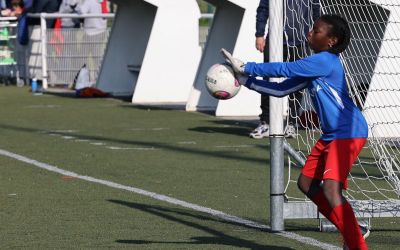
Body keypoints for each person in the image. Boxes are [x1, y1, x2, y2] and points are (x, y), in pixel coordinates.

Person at [222, 14, 369, 250]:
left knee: (331, 190)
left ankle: (357, 243)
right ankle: (350, 227)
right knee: (306, 183)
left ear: (331, 40)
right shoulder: (314, 66)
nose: (310, 33)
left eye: (317, 31)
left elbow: (284, 69)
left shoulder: (325, 60)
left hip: (348, 131)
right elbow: (281, 90)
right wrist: (245, 80)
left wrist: (248, 66)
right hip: (333, 134)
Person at [250, 0, 320, 139]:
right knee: (268, 79)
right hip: (275, 40)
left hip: (301, 42)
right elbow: (263, 9)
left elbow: (317, 13)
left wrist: (316, 37)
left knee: (297, 83)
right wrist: (259, 34)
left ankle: (291, 123)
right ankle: (266, 122)